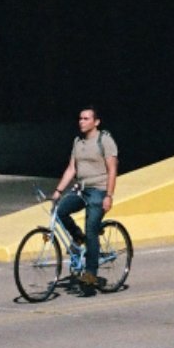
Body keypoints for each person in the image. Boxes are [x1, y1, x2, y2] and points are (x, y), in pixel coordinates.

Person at [51, 106, 119, 289]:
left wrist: (109, 195)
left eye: (86, 118)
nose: (81, 121)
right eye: (80, 118)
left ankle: (91, 273)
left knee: (92, 229)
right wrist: (58, 191)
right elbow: (72, 168)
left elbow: (112, 170)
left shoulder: (105, 140)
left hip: (98, 190)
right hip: (81, 189)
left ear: (96, 122)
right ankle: (77, 237)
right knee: (60, 211)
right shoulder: (77, 142)